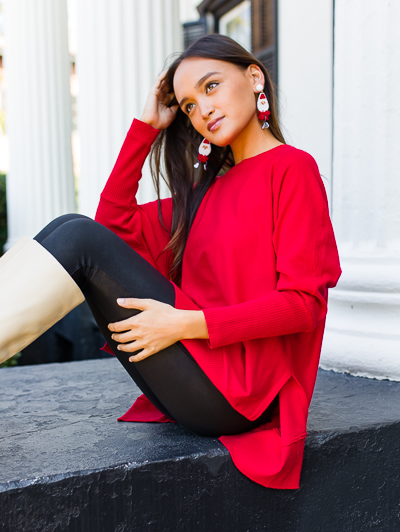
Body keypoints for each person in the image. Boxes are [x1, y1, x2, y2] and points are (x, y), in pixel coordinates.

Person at [0, 34, 341, 489]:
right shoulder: (206, 194)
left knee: (77, 234)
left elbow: (303, 306)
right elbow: (112, 225)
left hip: (241, 394)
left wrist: (186, 324)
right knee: (71, 224)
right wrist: (145, 126)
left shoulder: (293, 169)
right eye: (188, 106)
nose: (202, 110)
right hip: (196, 370)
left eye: (211, 86)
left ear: (254, 76)